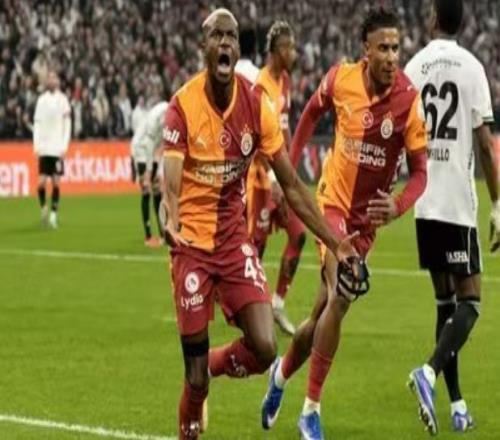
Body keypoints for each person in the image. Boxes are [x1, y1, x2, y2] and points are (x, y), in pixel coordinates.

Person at [160, 9, 362, 440]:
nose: (225, 43)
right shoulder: (182, 106)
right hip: (191, 245)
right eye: (217, 36)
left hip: (233, 242)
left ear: (237, 49)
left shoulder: (256, 105)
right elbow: (170, 186)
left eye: (231, 36)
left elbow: (292, 186)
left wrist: (336, 242)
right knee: (193, 381)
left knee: (266, 347)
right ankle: (196, 390)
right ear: (203, 47)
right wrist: (169, 215)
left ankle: (210, 365)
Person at [261, 7, 428, 439]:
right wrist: (289, 172)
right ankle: (310, 411)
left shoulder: (409, 101)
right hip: (330, 207)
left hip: (366, 224)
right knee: (345, 289)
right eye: (383, 48)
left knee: (320, 315)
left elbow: (421, 173)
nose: (391, 56)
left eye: (396, 48)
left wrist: (397, 205)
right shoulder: (340, 79)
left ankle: (280, 375)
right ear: (365, 50)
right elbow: (309, 115)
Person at [404, 0, 500, 434]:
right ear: (462, 22)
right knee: (471, 302)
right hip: (458, 205)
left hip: (425, 203)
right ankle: (427, 372)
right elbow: (485, 147)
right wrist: (498, 206)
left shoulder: (413, 67)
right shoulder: (473, 68)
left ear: (433, 19)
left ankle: (457, 405)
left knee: (446, 306)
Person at [245, 20, 306, 335]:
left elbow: (284, 129)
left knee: (299, 235)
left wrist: (289, 173)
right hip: (260, 179)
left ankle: (278, 303)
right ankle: (247, 306)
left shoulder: (285, 82)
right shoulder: (260, 86)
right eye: (290, 47)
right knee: (256, 246)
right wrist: (272, 178)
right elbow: (256, 139)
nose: (294, 53)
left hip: (281, 177)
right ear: (278, 50)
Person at [33, 70, 71, 229]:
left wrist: (64, 145)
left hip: (57, 148)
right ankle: (43, 208)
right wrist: (36, 145)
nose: (52, 80)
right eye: (49, 78)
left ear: (58, 81)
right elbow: (37, 123)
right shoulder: (41, 100)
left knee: (56, 182)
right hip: (44, 148)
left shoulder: (63, 100)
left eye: (54, 78)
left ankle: (53, 215)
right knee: (41, 183)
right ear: (46, 82)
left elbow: (68, 124)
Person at [130, 100, 169, 247]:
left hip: (152, 152)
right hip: (140, 150)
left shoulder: (172, 117)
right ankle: (148, 237)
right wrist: (147, 172)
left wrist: (158, 170)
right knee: (146, 190)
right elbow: (149, 145)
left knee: (157, 190)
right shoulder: (156, 117)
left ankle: (163, 233)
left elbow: (163, 147)